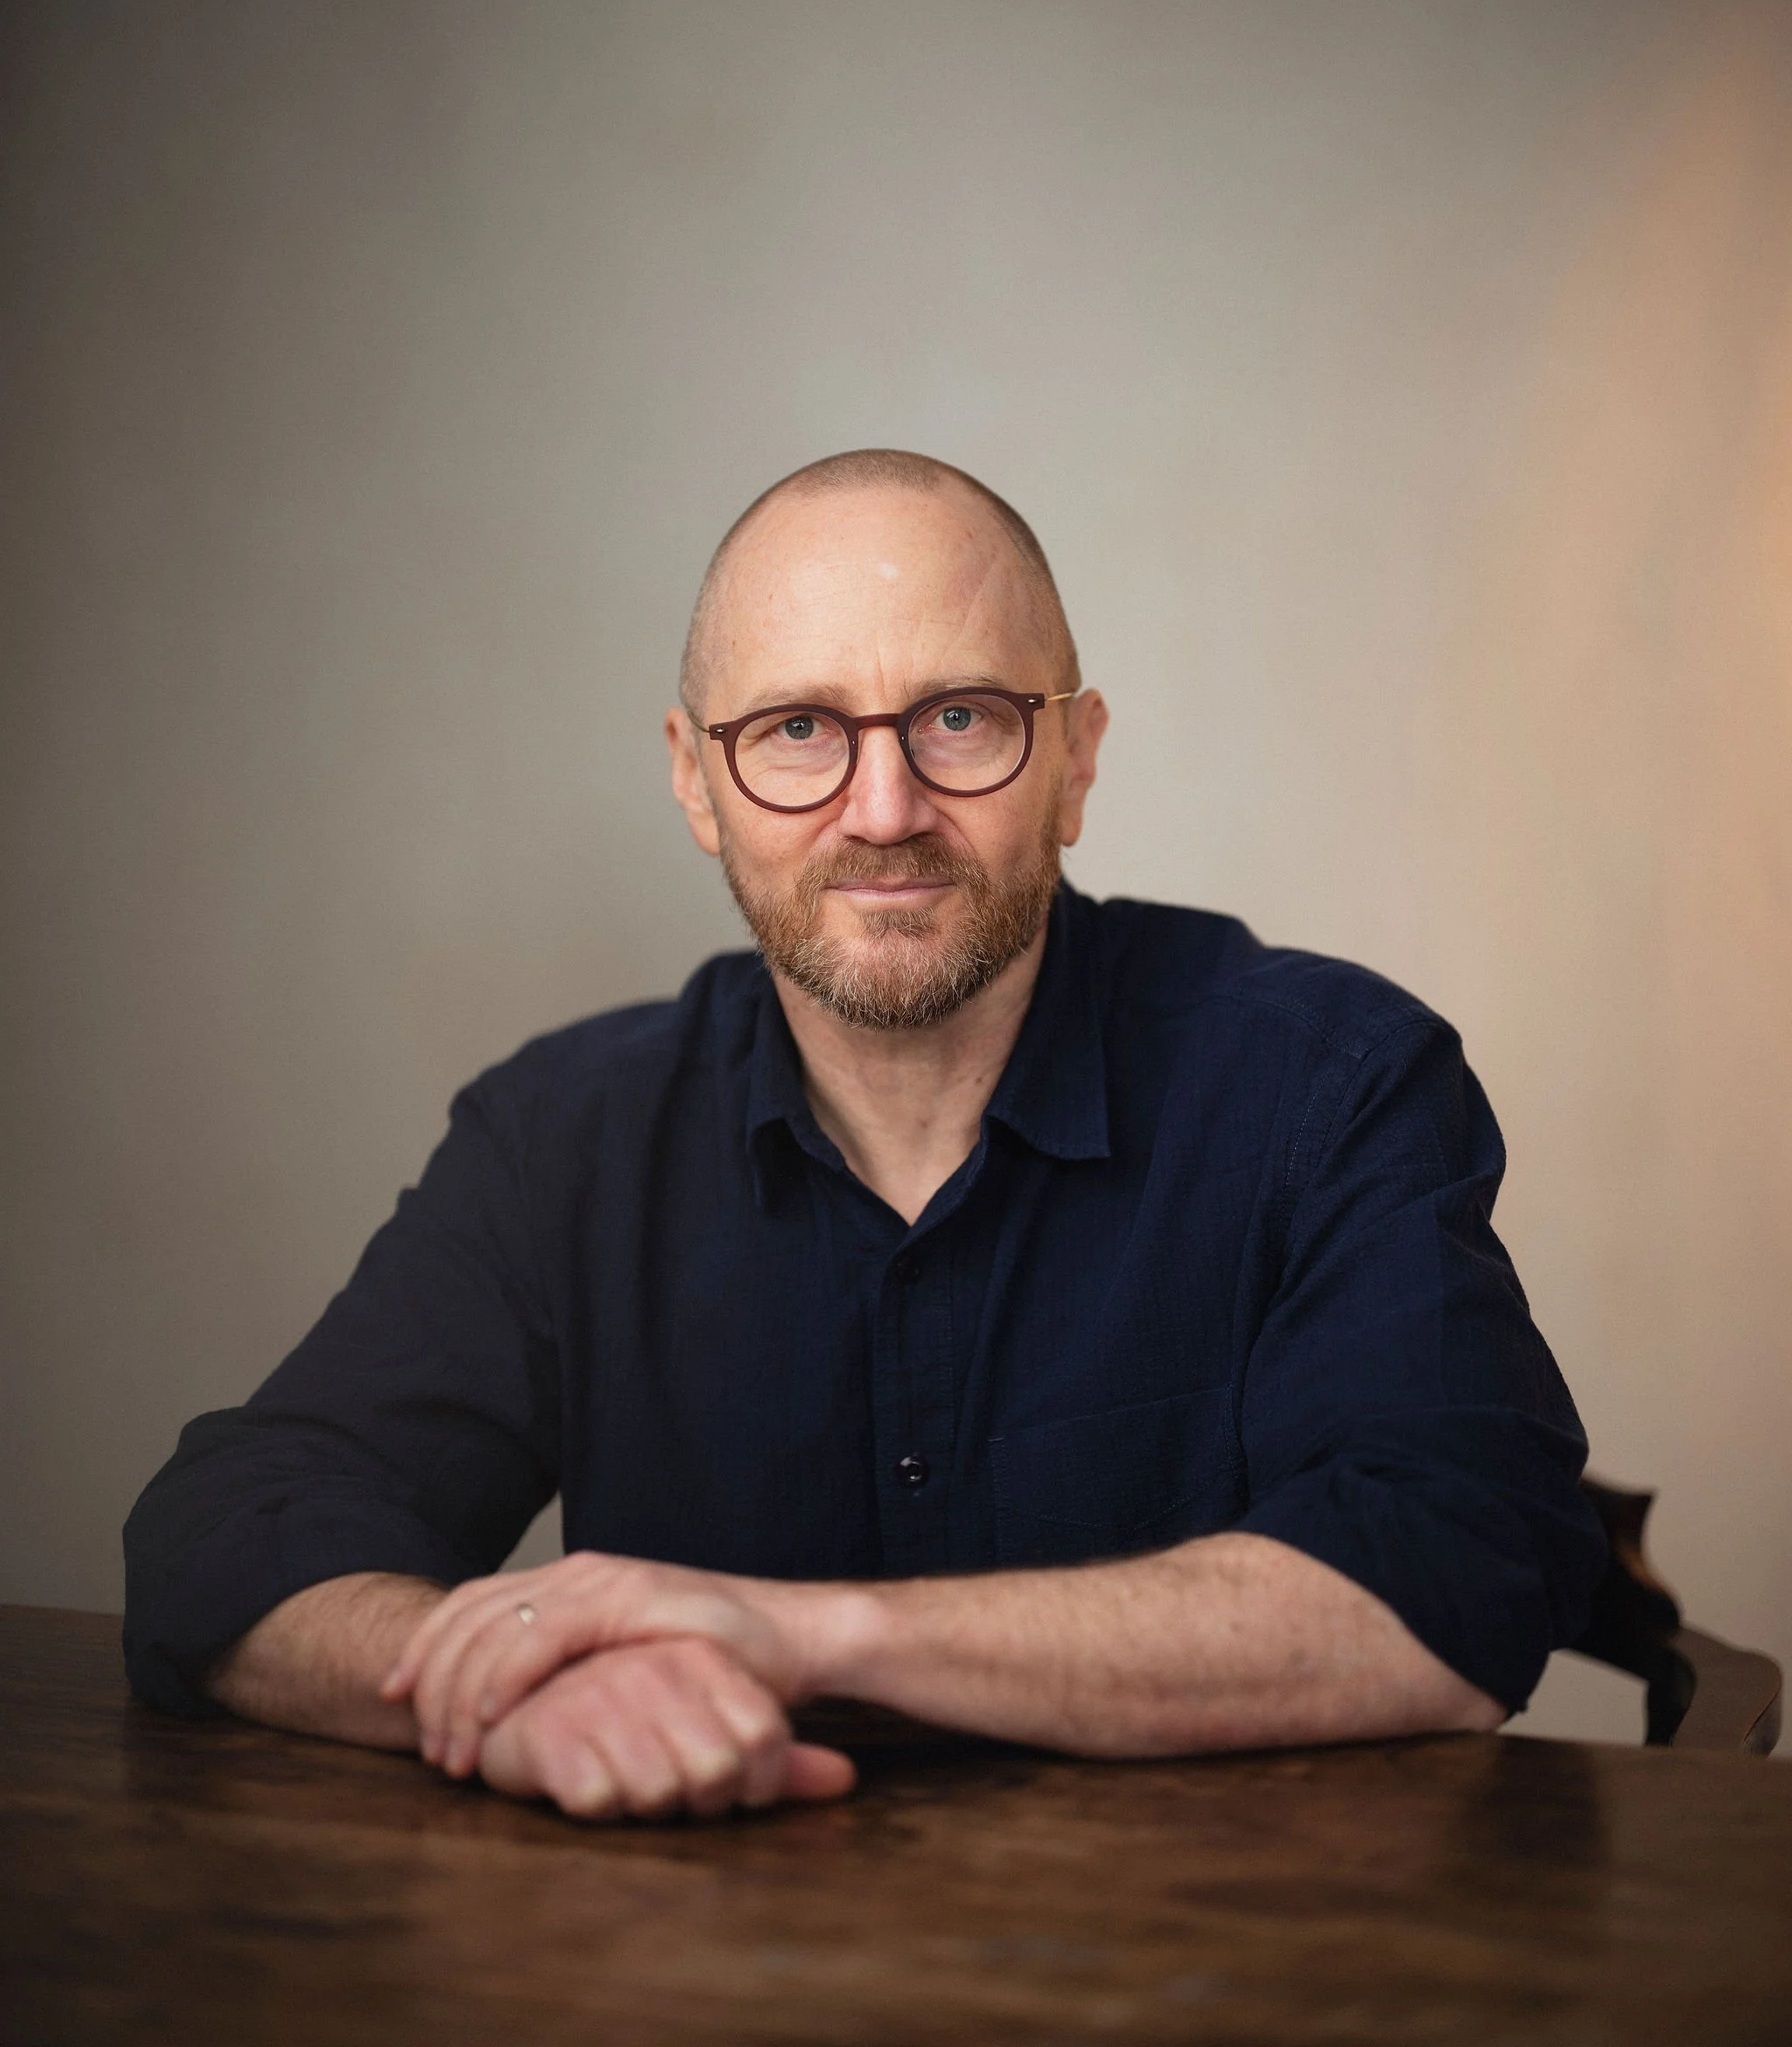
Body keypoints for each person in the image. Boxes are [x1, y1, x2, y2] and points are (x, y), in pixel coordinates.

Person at [123, 449, 1605, 1822]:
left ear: (1077, 761)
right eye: (797, 730)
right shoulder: (563, 1137)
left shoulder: (1327, 1085)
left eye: (961, 718)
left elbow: (1457, 1577)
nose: (883, 810)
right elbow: (226, 1537)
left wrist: (799, 1634)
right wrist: (507, 1687)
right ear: (697, 781)